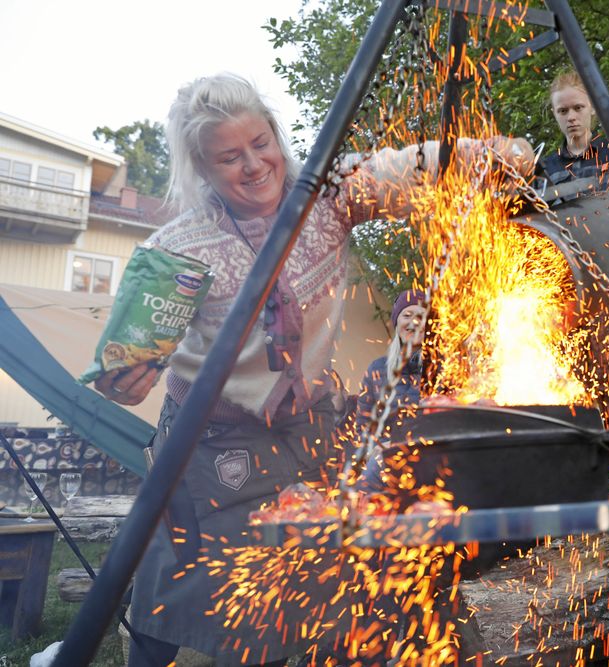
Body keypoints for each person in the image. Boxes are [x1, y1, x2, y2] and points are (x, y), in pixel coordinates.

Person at [93, 73, 532, 667]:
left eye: (260, 143)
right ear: (203, 167)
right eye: (230, 156)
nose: (253, 165)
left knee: (343, 581)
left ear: (276, 135)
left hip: (310, 431)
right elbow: (124, 368)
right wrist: (126, 378)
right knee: (214, 595)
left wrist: (488, 155)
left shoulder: (328, 197)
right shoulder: (178, 250)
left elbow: (413, 166)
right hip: (213, 442)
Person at [536, 70, 609, 471]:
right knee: (566, 383)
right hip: (562, 294)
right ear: (555, 115)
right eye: (563, 110)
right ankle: (572, 471)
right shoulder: (545, 166)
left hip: (608, 289)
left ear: (591, 108)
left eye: (578, 108)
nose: (571, 117)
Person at [356, 289, 426, 424]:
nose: (414, 322)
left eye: (421, 317)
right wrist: (385, 445)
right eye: (407, 315)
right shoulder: (376, 369)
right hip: (389, 445)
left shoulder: (444, 366)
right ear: (397, 322)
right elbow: (363, 427)